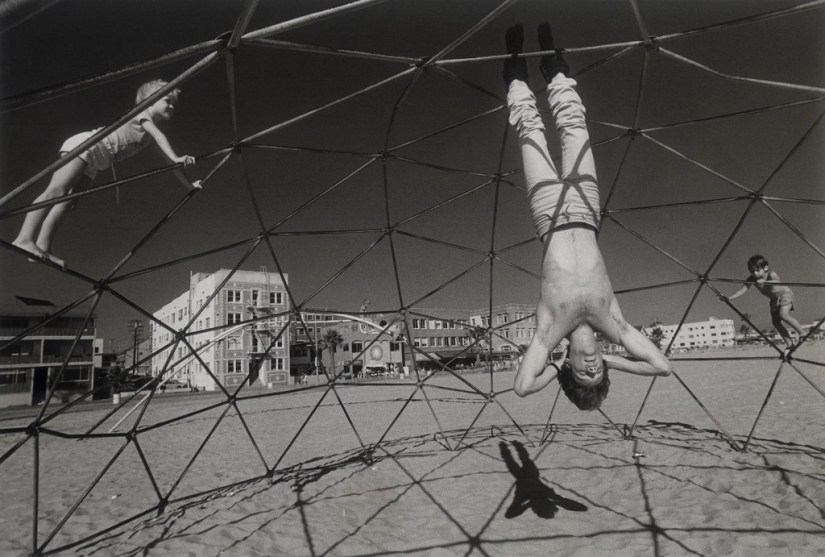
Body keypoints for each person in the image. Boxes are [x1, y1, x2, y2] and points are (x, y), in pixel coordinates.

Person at [504, 23, 672, 410]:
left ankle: (514, 64)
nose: (593, 364)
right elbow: (661, 366)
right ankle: (553, 63)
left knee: (529, 128)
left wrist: (557, 369)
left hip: (549, 214)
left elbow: (524, 386)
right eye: (599, 371)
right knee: (573, 123)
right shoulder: (613, 324)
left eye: (585, 372)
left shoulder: (550, 331)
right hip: (585, 207)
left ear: (571, 368)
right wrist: (615, 359)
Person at [12, 79, 201, 268]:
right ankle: (24, 238)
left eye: (173, 103)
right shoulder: (142, 112)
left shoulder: (150, 137)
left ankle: (43, 247)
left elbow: (170, 163)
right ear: (150, 100)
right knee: (56, 192)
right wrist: (177, 156)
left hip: (98, 160)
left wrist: (189, 185)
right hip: (88, 145)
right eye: (167, 100)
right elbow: (162, 138)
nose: (171, 106)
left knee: (68, 203)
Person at [721, 254, 805, 351]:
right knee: (776, 323)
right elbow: (742, 290)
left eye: (757, 270)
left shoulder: (771, 274)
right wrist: (729, 298)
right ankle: (790, 344)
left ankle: (802, 332)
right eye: (752, 271)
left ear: (765, 268)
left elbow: (777, 281)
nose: (755, 273)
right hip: (773, 300)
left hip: (784, 295)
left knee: (783, 315)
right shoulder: (752, 279)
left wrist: (765, 282)